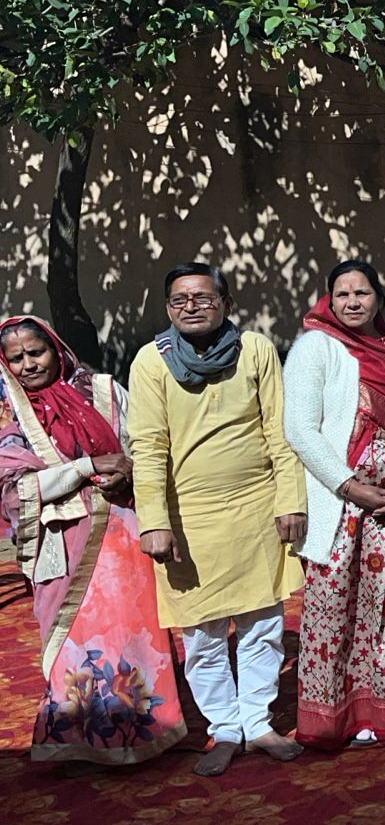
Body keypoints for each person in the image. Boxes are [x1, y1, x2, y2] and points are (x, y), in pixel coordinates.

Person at [127, 263, 307, 776]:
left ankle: (258, 723)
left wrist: (290, 501)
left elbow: (279, 430)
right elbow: (148, 446)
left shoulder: (255, 350)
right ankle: (225, 728)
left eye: (203, 298)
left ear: (226, 304)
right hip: (190, 518)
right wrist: (154, 521)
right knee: (202, 635)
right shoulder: (151, 362)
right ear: (168, 308)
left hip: (256, 508)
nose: (191, 307)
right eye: (180, 299)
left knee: (262, 625)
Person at [0, 316, 187, 766]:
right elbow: (12, 488)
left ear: (57, 349)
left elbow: (145, 446)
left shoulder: (103, 391)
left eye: (36, 352)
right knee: (74, 638)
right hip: (63, 543)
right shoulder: (9, 416)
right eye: (16, 358)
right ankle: (77, 740)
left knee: (135, 630)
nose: (28, 365)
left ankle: (145, 733)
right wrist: (87, 468)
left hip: (122, 530)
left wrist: (127, 470)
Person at [283, 261, 385, 751]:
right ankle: (339, 718)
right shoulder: (315, 347)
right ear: (329, 300)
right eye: (342, 294)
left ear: (379, 299)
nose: (352, 302)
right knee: (336, 614)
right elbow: (300, 430)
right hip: (343, 511)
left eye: (362, 293)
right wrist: (352, 488)